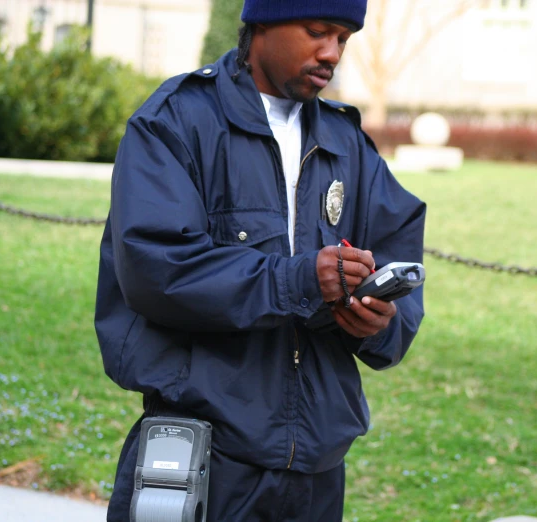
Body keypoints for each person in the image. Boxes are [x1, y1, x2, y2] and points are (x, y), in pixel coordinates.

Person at [95, 0, 426, 520]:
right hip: (203, 456)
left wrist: (377, 322)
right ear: (263, 22)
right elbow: (155, 269)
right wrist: (300, 279)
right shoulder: (176, 120)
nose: (331, 53)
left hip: (318, 470)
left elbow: (398, 246)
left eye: (343, 38)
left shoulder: (345, 140)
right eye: (317, 31)